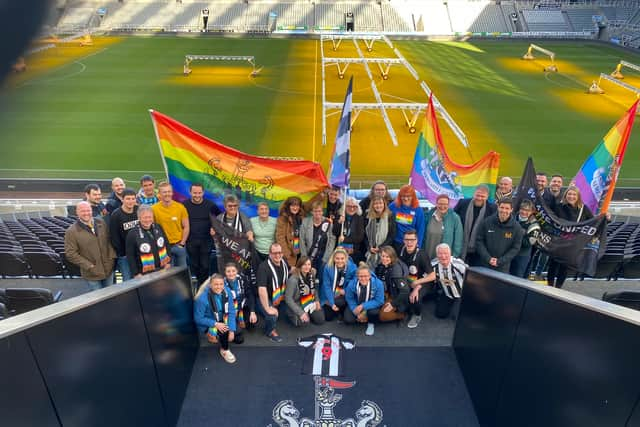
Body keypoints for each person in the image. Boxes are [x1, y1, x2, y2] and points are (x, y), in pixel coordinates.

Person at [547, 186, 593, 288]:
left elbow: (593, 222)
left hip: (572, 244)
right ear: (565, 195)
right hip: (558, 242)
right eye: (569, 194)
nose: (571, 196)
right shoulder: (558, 206)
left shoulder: (583, 209)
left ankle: (558, 287)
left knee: (565, 267)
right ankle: (549, 286)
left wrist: (605, 218)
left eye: (574, 195)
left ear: (578, 197)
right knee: (553, 265)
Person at [64, 201, 116, 290]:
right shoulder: (71, 231)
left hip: (109, 269)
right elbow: (70, 254)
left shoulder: (101, 222)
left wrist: (111, 257)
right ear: (77, 212)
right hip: (92, 274)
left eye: (88, 210)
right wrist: (89, 266)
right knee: (98, 299)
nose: (86, 213)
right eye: (83, 211)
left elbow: (109, 241)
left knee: (110, 295)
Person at [194, 274, 237, 364]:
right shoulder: (202, 298)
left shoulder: (227, 291)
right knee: (224, 331)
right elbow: (198, 318)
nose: (219, 287)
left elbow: (232, 311)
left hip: (223, 317)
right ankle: (224, 349)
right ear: (210, 285)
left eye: (221, 284)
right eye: (216, 284)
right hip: (209, 321)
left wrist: (232, 330)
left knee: (238, 337)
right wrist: (215, 324)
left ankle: (218, 337)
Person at [183, 183, 220, 286]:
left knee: (205, 266)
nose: (197, 195)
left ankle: (202, 286)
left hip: (206, 241)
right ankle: (200, 285)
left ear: (203, 192)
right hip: (191, 241)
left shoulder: (210, 205)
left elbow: (220, 218)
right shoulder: (184, 205)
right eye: (195, 193)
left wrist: (214, 228)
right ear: (190, 192)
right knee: (194, 265)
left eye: (199, 193)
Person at [398, 229, 435, 328]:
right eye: (407, 239)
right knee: (401, 300)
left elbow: (432, 276)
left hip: (423, 281)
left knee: (415, 298)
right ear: (403, 240)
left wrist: (418, 285)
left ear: (417, 241)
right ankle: (406, 309)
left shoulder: (422, 254)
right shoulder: (400, 250)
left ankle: (417, 315)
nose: (409, 242)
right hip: (409, 281)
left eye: (412, 240)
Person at [475, 198, 524, 273]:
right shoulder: (487, 222)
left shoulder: (517, 228)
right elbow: (479, 241)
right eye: (502, 207)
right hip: (484, 264)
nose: (504, 210)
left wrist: (500, 261)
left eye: (507, 208)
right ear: (498, 207)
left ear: (511, 210)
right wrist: (488, 258)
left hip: (503, 268)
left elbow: (515, 248)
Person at [454, 184, 496, 265]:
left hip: (479, 250)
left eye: (482, 196)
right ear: (474, 194)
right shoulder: (462, 203)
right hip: (460, 247)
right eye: (478, 195)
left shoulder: (492, 209)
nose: (479, 198)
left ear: (487, 197)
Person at [126, 204, 172, 277]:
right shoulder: (132, 233)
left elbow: (166, 244)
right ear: (139, 218)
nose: (147, 220)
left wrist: (169, 262)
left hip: (163, 268)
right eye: (145, 217)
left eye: (150, 217)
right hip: (144, 273)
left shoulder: (158, 227)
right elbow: (130, 255)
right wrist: (136, 273)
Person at [256, 243, 289, 342]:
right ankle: (270, 331)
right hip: (263, 298)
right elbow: (262, 290)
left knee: (290, 309)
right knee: (272, 315)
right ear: (269, 254)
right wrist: (267, 308)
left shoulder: (284, 262)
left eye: (279, 252)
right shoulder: (263, 267)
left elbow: (291, 270)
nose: (277, 255)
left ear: (282, 253)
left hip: (278, 296)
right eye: (274, 253)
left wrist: (304, 269)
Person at [152, 182, 189, 268]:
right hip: (163, 248)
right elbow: (151, 228)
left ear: (172, 193)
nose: (167, 194)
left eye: (169, 191)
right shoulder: (153, 209)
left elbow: (186, 226)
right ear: (160, 194)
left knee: (182, 273)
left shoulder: (180, 207)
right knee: (167, 275)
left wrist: (182, 243)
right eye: (164, 192)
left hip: (178, 245)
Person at [344, 264, 384, 336]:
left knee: (373, 313)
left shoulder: (378, 284)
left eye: (366, 276)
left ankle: (371, 323)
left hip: (371, 304)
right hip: (357, 303)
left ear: (370, 276)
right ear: (357, 276)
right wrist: (355, 310)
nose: (363, 278)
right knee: (348, 319)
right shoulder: (352, 284)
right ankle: (361, 318)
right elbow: (349, 298)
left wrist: (363, 306)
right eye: (361, 276)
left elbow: (379, 301)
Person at [285, 256, 325, 326]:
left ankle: (309, 313)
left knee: (320, 319)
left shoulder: (311, 274)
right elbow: (288, 299)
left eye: (309, 264)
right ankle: (293, 316)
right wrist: (301, 313)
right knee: (303, 323)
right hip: (297, 303)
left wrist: (317, 300)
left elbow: (314, 289)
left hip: (309, 301)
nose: (307, 267)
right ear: (300, 266)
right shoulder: (293, 280)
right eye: (304, 264)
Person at [109, 188, 138, 282]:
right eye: (128, 199)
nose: (131, 201)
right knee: (128, 280)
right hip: (124, 255)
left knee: (140, 278)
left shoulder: (139, 210)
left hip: (140, 253)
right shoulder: (116, 215)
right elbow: (114, 237)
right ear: (122, 199)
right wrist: (122, 253)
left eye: (133, 199)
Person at [431, 243, 467, 319]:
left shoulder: (458, 264)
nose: (443, 256)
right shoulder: (433, 264)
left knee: (457, 317)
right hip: (447, 294)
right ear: (437, 254)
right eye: (440, 254)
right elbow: (425, 277)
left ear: (450, 254)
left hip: (461, 294)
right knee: (440, 314)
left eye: (445, 253)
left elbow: (471, 276)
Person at [223, 262, 257, 342]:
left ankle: (242, 320)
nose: (231, 273)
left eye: (233, 271)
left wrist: (252, 311)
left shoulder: (242, 279)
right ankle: (236, 325)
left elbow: (250, 294)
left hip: (242, 306)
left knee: (252, 323)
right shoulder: (222, 283)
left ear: (237, 271)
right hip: (230, 310)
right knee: (239, 338)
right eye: (228, 271)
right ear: (225, 273)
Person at [321, 247, 357, 321]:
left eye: (342, 258)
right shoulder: (328, 267)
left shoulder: (352, 267)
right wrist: (331, 303)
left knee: (341, 302)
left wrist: (346, 290)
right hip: (331, 292)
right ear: (333, 258)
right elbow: (326, 286)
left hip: (343, 294)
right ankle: (337, 309)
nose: (340, 261)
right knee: (328, 317)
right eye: (337, 258)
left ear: (346, 258)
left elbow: (355, 281)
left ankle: (343, 309)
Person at [300, 201, 336, 274]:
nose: (317, 213)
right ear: (312, 212)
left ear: (322, 212)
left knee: (321, 278)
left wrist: (326, 257)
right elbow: (302, 240)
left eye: (319, 211)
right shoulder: (305, 222)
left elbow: (332, 240)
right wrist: (305, 258)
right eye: (315, 211)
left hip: (323, 256)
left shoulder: (328, 222)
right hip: (309, 256)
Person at [424, 194, 463, 260]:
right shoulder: (428, 216)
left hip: (445, 259)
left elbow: (458, 240)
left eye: (445, 204)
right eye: (440, 204)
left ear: (448, 205)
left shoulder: (455, 218)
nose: (442, 206)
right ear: (436, 204)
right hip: (428, 256)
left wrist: (453, 257)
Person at [375, 246, 409, 322]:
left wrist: (392, 304)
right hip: (384, 292)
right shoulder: (382, 265)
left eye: (387, 257)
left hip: (394, 296)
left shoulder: (396, 271)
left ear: (392, 257)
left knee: (383, 316)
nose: (384, 259)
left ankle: (400, 315)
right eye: (383, 256)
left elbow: (405, 291)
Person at [389, 184, 425, 251]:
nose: (405, 198)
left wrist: (418, 245)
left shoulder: (418, 210)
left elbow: (420, 229)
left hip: (411, 244)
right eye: (403, 196)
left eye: (408, 196)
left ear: (413, 196)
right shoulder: (393, 206)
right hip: (396, 242)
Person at [364, 195, 396, 268]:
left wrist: (381, 248)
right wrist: (369, 247)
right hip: (370, 250)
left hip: (384, 250)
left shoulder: (390, 215)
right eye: (376, 203)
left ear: (384, 204)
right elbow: (364, 234)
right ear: (372, 205)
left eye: (380, 203)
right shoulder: (367, 215)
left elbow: (392, 235)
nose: (378, 205)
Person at [510, 200, 537, 278]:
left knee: (518, 278)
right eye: (523, 209)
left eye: (527, 210)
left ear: (531, 211)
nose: (524, 212)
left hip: (522, 256)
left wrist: (517, 232)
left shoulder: (535, 224)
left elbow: (529, 243)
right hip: (508, 253)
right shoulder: (512, 217)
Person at [275, 196, 305, 268]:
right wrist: (287, 254)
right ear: (288, 206)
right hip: (290, 253)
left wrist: (322, 194)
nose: (295, 208)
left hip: (301, 250)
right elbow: (280, 237)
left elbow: (310, 205)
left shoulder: (300, 215)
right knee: (290, 275)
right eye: (292, 205)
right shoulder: (283, 218)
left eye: (297, 205)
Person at [334, 196, 365, 264]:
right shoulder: (339, 216)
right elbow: (334, 232)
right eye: (349, 206)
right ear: (344, 207)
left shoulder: (359, 218)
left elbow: (360, 237)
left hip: (353, 250)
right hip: (339, 250)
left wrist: (345, 239)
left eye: (354, 206)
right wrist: (339, 222)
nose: (352, 208)